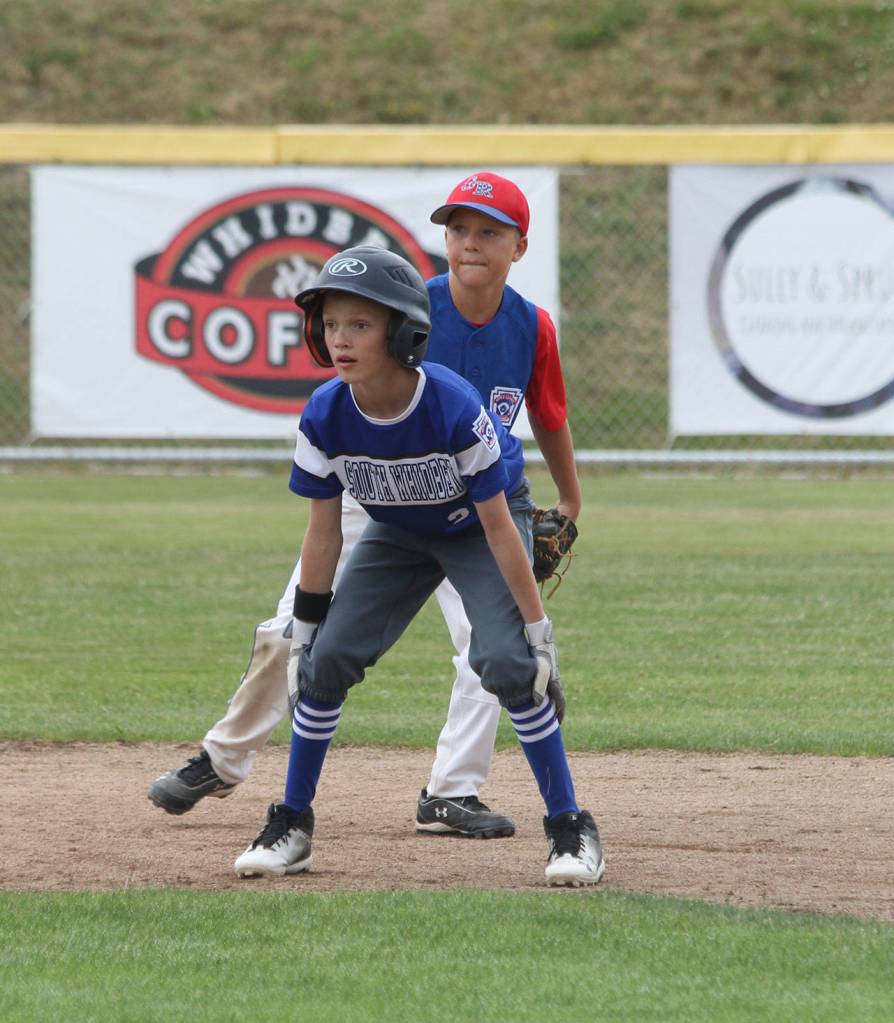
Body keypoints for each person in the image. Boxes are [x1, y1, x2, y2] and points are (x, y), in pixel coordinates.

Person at [148, 171, 582, 840]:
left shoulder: (531, 326)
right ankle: (223, 758)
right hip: (377, 487)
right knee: (297, 624)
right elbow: (344, 393)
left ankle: (452, 790)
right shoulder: (406, 308)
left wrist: (570, 496)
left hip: (479, 501)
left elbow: (548, 412)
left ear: (519, 246)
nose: (470, 242)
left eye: (488, 232)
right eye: (458, 229)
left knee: (487, 646)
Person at [232, 245, 604, 886]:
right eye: (330, 324)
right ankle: (291, 823)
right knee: (324, 664)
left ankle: (570, 827)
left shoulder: (451, 406)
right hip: (399, 531)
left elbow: (499, 527)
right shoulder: (325, 412)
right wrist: (307, 633)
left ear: (404, 333)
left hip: (476, 527)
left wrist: (537, 632)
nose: (340, 339)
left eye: (360, 324)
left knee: (509, 664)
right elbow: (323, 536)